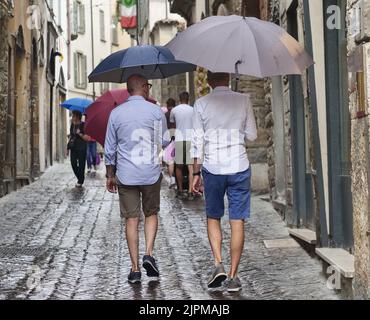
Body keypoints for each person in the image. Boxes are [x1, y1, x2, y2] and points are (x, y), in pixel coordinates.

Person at [191, 72, 257, 293]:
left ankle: (218, 263)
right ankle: (233, 276)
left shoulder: (201, 104)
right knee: (237, 220)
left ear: (209, 81)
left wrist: (195, 173)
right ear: (228, 78)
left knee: (213, 216)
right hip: (238, 166)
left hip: (214, 168)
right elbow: (253, 136)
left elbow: (197, 142)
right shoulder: (244, 99)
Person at [105, 75, 170, 284]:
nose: (149, 89)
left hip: (126, 174)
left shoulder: (116, 114)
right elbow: (165, 141)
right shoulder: (155, 112)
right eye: (148, 86)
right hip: (150, 173)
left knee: (131, 220)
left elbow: (110, 148)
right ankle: (149, 254)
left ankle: (134, 269)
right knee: (151, 213)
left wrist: (109, 175)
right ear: (143, 88)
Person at [170, 92, 194, 200]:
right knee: (190, 167)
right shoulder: (193, 110)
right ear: (188, 99)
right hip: (190, 139)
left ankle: (180, 190)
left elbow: (173, 125)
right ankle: (190, 191)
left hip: (179, 140)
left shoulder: (174, 110)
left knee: (178, 167)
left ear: (179, 99)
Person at [67, 110, 90, 188]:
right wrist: (68, 147)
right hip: (73, 147)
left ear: (77, 116)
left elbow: (88, 138)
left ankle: (80, 180)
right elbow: (71, 136)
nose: (72, 117)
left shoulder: (84, 125)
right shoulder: (72, 125)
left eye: (73, 116)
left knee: (81, 165)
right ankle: (80, 178)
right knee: (73, 163)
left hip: (82, 148)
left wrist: (80, 134)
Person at [163, 98, 176, 188]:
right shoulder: (177, 113)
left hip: (168, 139)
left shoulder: (166, 114)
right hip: (178, 137)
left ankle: (172, 179)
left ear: (167, 105)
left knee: (170, 160)